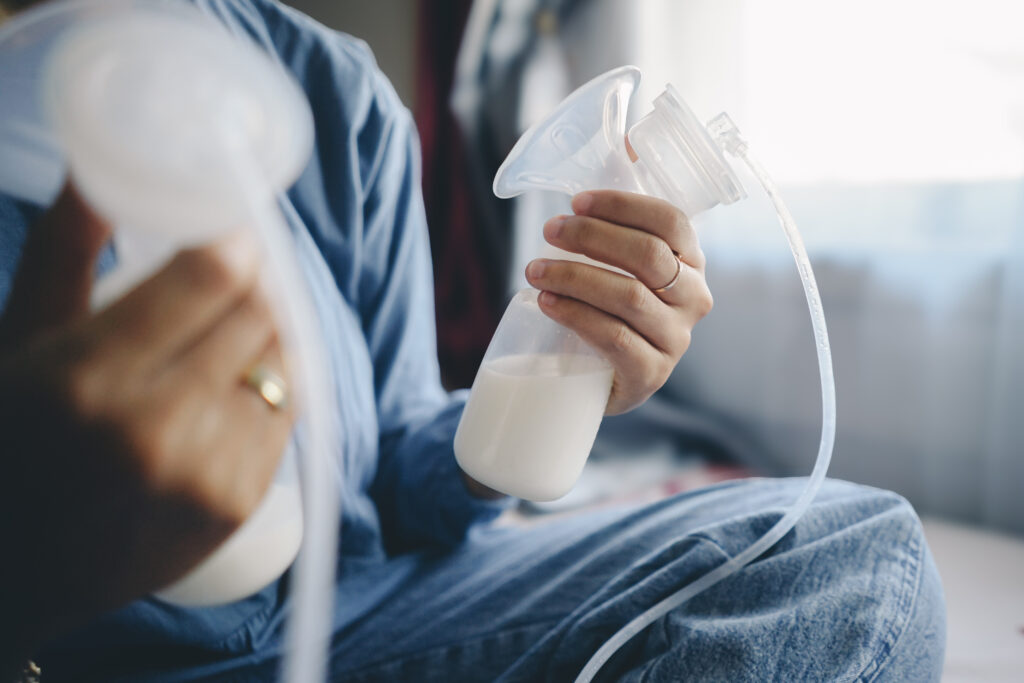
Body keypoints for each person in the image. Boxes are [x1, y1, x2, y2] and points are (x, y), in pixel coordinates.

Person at [0, 0, 945, 681]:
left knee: (849, 555)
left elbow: (409, 467)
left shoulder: (328, 97)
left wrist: (563, 378)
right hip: (80, 649)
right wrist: (30, 560)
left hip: (369, 609)